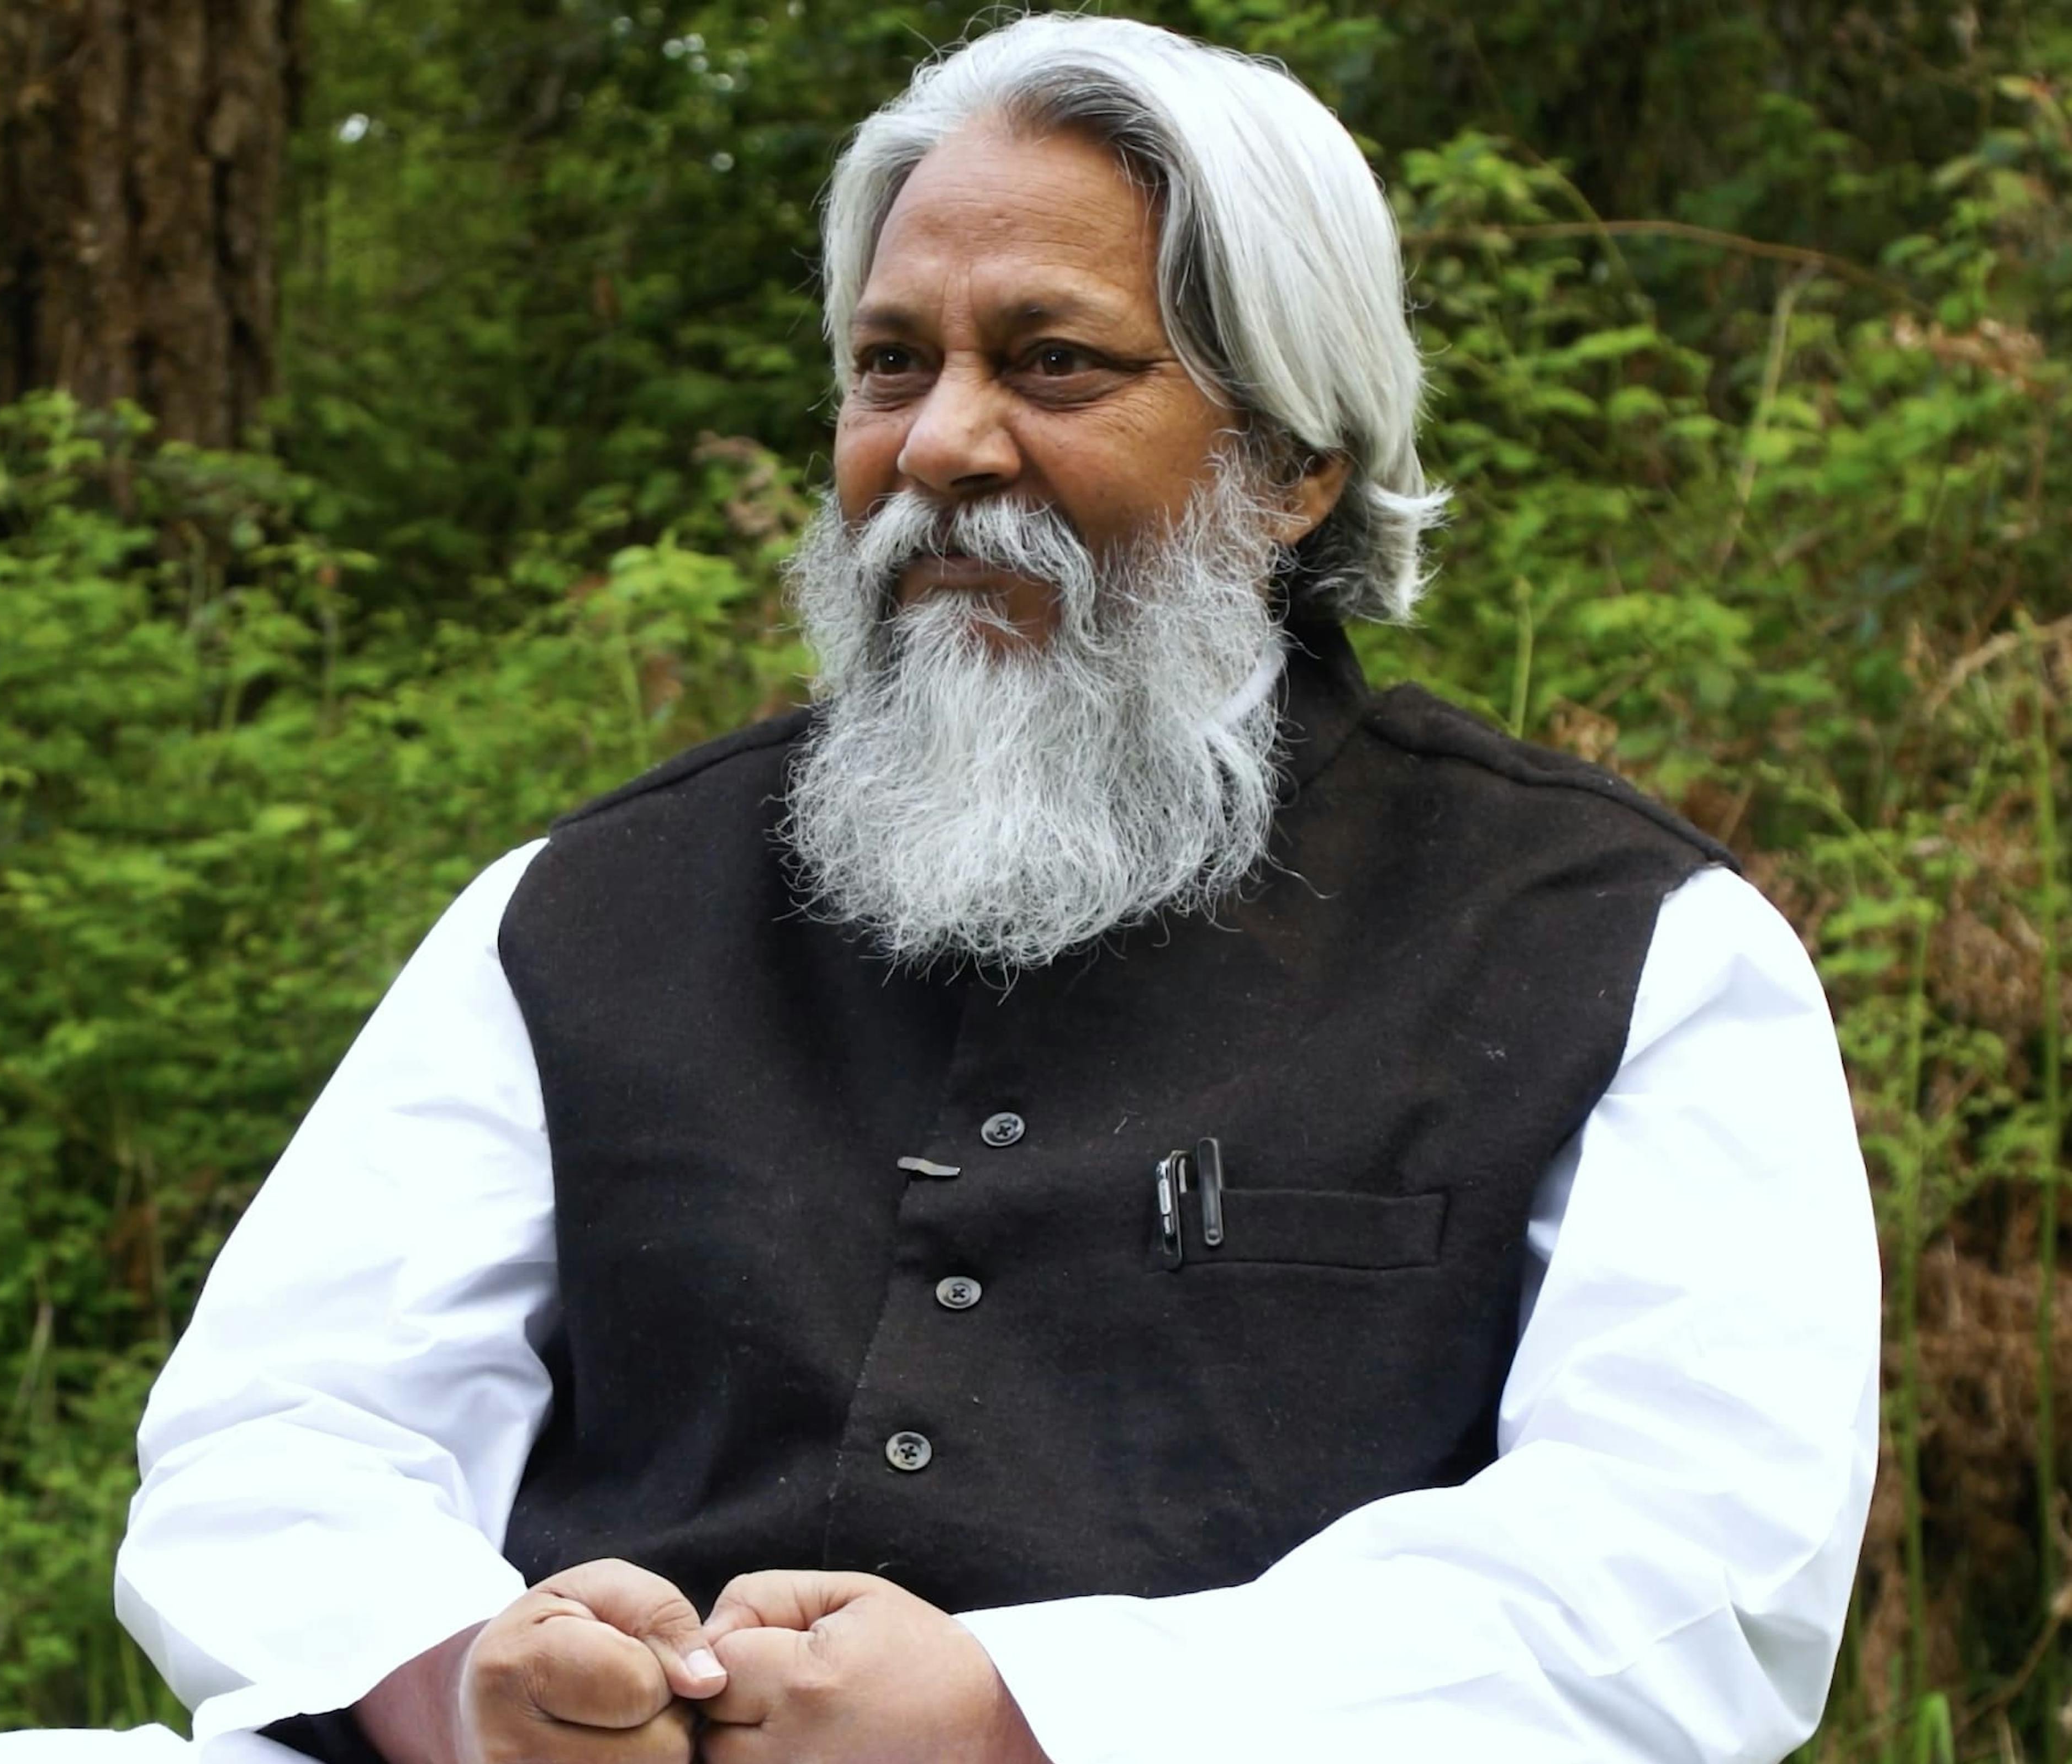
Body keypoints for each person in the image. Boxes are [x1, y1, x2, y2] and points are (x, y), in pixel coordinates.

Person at [104, 14, 1879, 1764]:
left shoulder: (1619, 945)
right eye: (890, 366)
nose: (941, 445)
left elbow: (1692, 1568)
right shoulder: (583, 907)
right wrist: (466, 1682)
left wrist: (1026, 1719)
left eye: (1053, 363)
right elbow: (280, 1433)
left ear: (1295, 461)